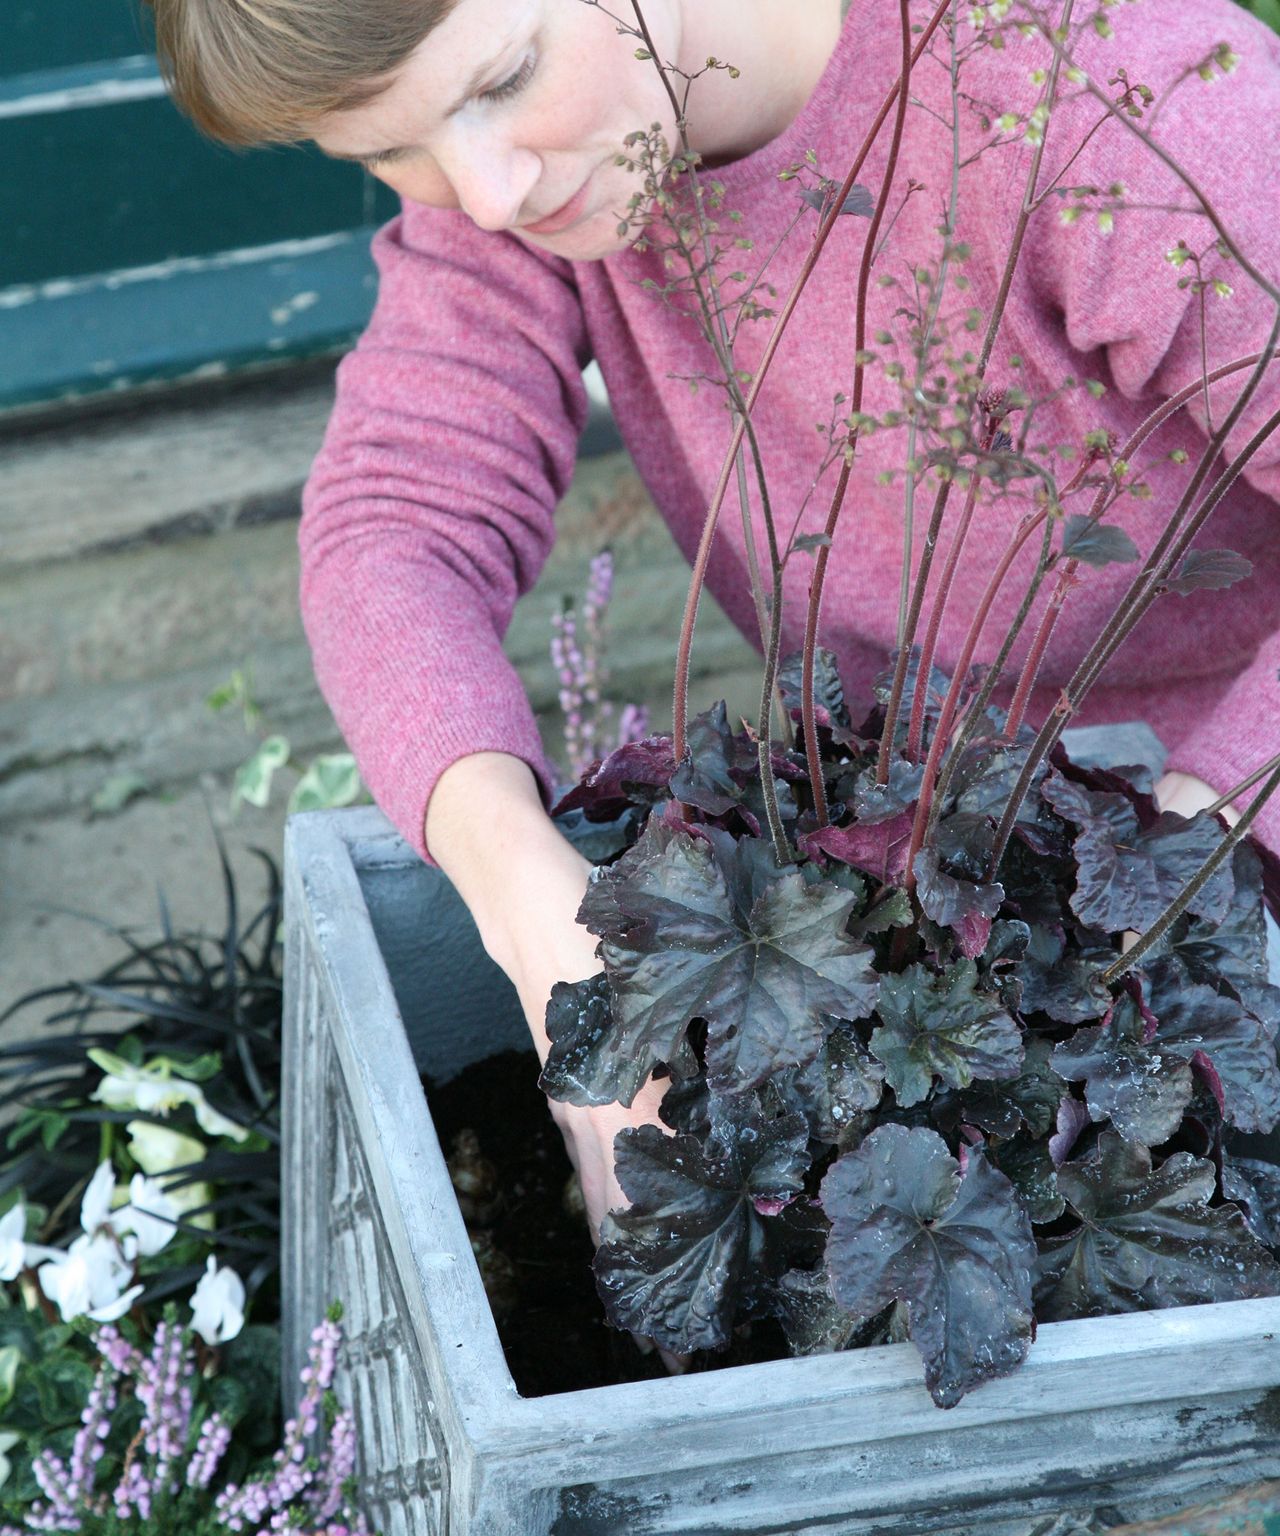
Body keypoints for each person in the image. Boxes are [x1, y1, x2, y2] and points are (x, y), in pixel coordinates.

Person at [145, 0, 1280, 1247]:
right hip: (941, 850)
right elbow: (395, 521)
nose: (485, 194)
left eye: (507, 77)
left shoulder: (1108, 100)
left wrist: (1176, 868)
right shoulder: (544, 164)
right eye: (385, 152)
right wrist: (525, 899)